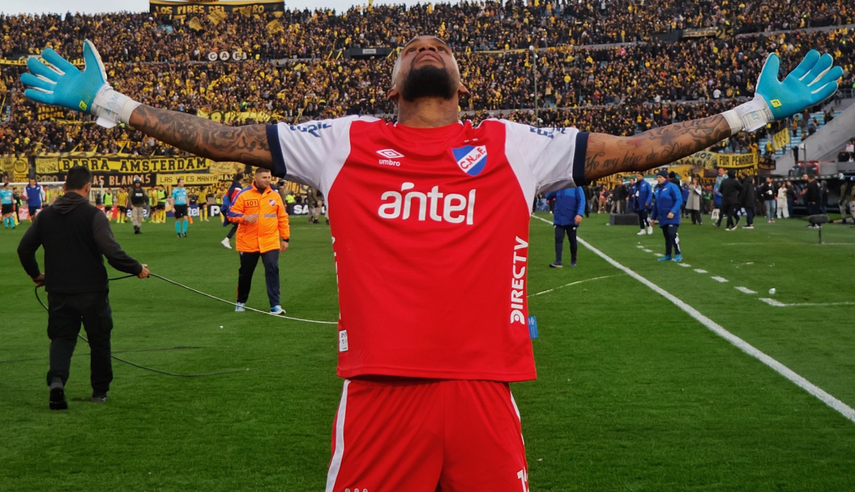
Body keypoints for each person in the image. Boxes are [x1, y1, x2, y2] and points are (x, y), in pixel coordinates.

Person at [21, 38, 842, 490]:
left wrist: (756, 111)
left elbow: (636, 149)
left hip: (484, 390)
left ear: (457, 81)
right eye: (411, 47)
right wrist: (108, 102)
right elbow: (218, 138)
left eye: (438, 45)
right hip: (380, 393)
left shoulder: (512, 145)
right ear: (392, 86)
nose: (425, 47)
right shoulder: (343, 142)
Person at [16, 165, 150, 409]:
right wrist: (136, 268)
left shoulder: (45, 216)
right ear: (88, 187)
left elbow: (24, 248)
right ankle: (99, 392)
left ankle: (57, 382)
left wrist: (36, 274)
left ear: (64, 187)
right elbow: (111, 251)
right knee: (99, 340)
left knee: (62, 339)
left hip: (59, 291)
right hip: (92, 291)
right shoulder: (93, 215)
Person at [228, 168, 290, 315]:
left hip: (270, 241)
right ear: (256, 178)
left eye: (269, 177)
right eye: (264, 177)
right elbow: (230, 213)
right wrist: (244, 218)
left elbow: (282, 217)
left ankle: (275, 305)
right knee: (246, 273)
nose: (268, 180)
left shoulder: (275, 195)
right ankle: (241, 302)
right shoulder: (244, 194)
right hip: (248, 242)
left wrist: (285, 237)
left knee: (272, 269)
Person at [545, 186, 585, 268]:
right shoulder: (559, 186)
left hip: (571, 218)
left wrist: (579, 214)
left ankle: (573, 260)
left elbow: (582, 200)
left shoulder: (576, 187)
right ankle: (558, 261)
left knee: (572, 240)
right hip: (559, 218)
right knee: (558, 239)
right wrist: (553, 186)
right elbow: (548, 195)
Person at [651, 170, 683, 262]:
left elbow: (678, 200)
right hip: (663, 217)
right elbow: (656, 204)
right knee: (667, 236)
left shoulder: (672, 186)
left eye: (660, 177)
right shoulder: (657, 189)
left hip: (672, 216)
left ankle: (678, 253)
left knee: (672, 234)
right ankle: (668, 255)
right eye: (657, 177)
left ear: (665, 178)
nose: (658, 179)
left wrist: (673, 211)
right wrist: (653, 218)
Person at [220, 173, 246, 249]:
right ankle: (227, 239)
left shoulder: (233, 186)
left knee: (239, 224)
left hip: (229, 209)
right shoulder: (237, 187)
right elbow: (235, 199)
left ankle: (228, 239)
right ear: (241, 179)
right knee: (240, 223)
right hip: (232, 210)